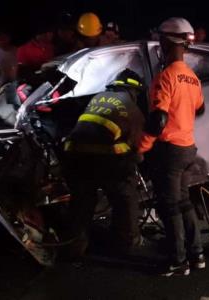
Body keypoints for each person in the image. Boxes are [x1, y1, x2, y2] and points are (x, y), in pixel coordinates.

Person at [138, 17, 205, 276]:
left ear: (167, 41)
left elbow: (158, 119)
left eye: (161, 39)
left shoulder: (166, 77)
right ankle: (197, 254)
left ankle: (177, 260)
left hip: (170, 152)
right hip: (188, 148)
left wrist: (141, 148)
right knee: (184, 202)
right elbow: (201, 108)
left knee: (169, 206)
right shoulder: (193, 78)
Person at [63, 69, 145, 257]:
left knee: (82, 201)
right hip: (107, 159)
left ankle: (75, 247)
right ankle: (126, 243)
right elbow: (138, 145)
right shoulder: (132, 108)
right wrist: (136, 161)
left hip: (74, 155)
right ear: (133, 91)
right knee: (125, 197)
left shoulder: (98, 97)